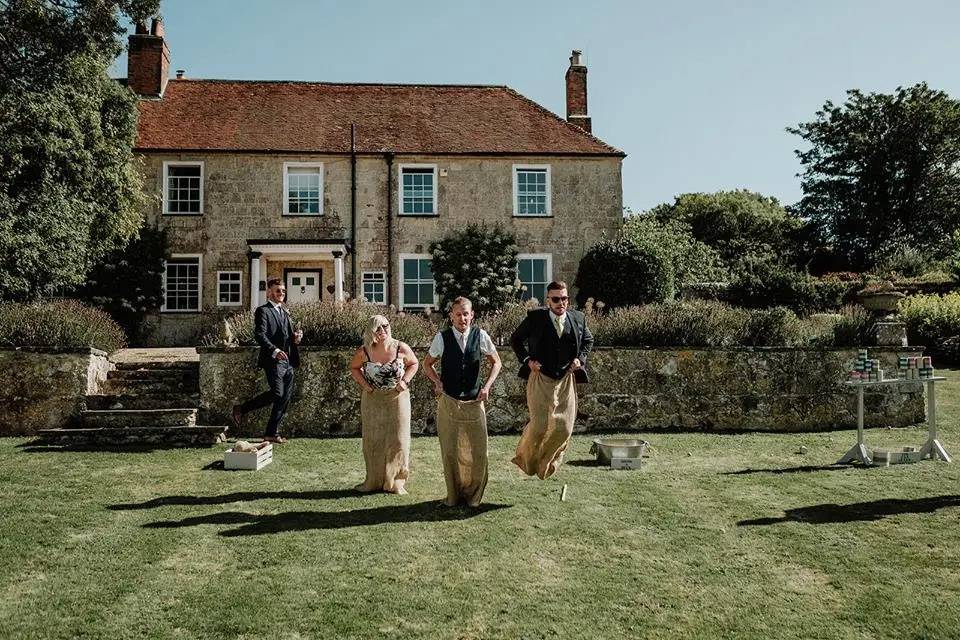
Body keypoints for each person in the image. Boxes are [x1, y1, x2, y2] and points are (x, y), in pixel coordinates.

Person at [422, 297, 502, 507]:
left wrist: (487, 387)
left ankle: (474, 497)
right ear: (451, 316)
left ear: (472, 315)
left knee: (479, 451)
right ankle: (454, 495)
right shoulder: (442, 338)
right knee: (450, 451)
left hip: (475, 402)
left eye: (466, 313)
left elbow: (497, 362)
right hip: (449, 402)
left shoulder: (480, 335)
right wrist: (437, 382)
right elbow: (427, 364)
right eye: (458, 314)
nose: (462, 318)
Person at [510, 281, 593, 479]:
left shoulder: (578, 318)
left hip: (566, 378)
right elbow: (515, 339)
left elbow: (588, 340)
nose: (560, 303)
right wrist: (527, 360)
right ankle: (526, 462)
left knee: (564, 428)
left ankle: (546, 465)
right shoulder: (535, 318)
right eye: (555, 299)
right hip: (540, 377)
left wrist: (579, 359)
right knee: (539, 426)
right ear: (548, 300)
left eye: (564, 298)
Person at [348, 315, 419, 494]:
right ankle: (373, 481)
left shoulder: (400, 347)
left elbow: (414, 363)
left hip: (398, 399)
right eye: (378, 329)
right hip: (373, 401)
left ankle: (396, 482)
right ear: (371, 332)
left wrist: (405, 381)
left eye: (385, 326)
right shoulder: (365, 351)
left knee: (399, 440)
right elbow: (354, 368)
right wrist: (365, 386)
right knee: (373, 441)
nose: (382, 331)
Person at [232, 277, 302, 444]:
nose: (281, 293)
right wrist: (275, 350)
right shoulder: (263, 311)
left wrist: (296, 338)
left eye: (283, 291)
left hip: (288, 361)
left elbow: (287, 336)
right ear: (269, 292)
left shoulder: (285, 311)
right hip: (273, 360)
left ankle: (272, 433)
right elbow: (260, 335)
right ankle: (241, 409)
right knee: (277, 393)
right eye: (278, 291)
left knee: (285, 397)